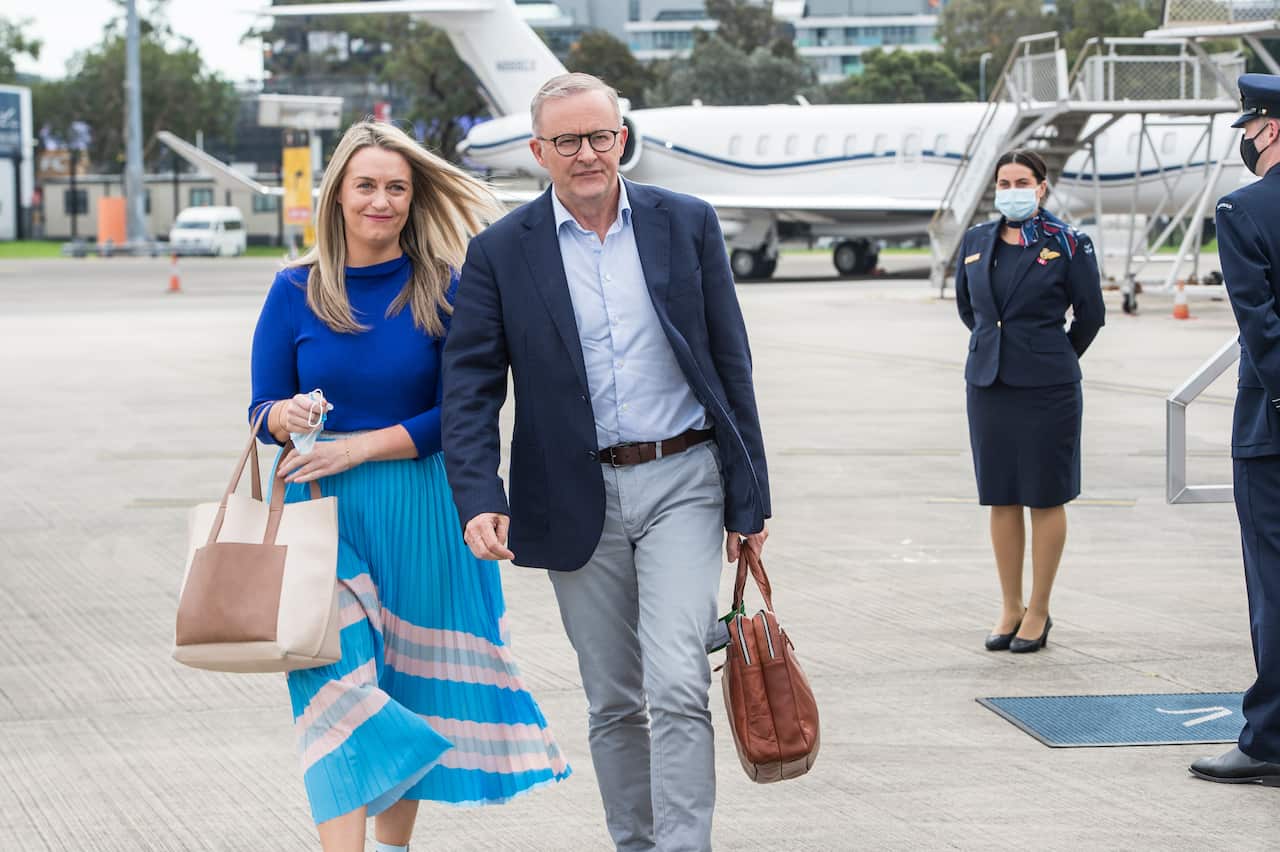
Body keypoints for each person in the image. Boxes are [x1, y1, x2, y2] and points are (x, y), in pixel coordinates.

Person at [441, 72, 771, 852]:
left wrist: (749, 501)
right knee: (614, 699)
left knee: (680, 681)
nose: (587, 154)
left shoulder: (685, 223)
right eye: (567, 141)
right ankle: (637, 842)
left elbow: (731, 362)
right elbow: (471, 386)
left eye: (600, 136)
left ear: (622, 138)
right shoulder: (498, 254)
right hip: (571, 493)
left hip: (683, 481)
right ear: (538, 151)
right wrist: (478, 495)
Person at [248, 120, 570, 851]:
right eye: (366, 185)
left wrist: (359, 447)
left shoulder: (445, 287)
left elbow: (462, 411)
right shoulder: (293, 289)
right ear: (337, 195)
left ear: (413, 197)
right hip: (320, 520)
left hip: (423, 510)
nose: (381, 201)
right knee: (335, 693)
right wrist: (284, 415)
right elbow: (260, 408)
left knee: (408, 688)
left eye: (396, 187)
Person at [954, 148, 1105, 654]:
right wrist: (997, 348)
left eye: (1022, 181)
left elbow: (1091, 314)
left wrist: (1052, 354)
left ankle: (1039, 609)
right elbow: (969, 308)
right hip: (989, 383)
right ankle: (1009, 605)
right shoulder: (977, 241)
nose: (1012, 190)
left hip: (1047, 387)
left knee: (1044, 494)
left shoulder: (1067, 242)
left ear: (1041, 187)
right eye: (1004, 182)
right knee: (1000, 495)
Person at [1190, 73, 1280, 787]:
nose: (1247, 142)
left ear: (1270, 129)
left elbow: (1265, 332)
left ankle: (1271, 737)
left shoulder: (1243, 209)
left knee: (1274, 590)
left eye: (1249, 130)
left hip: (1273, 434)